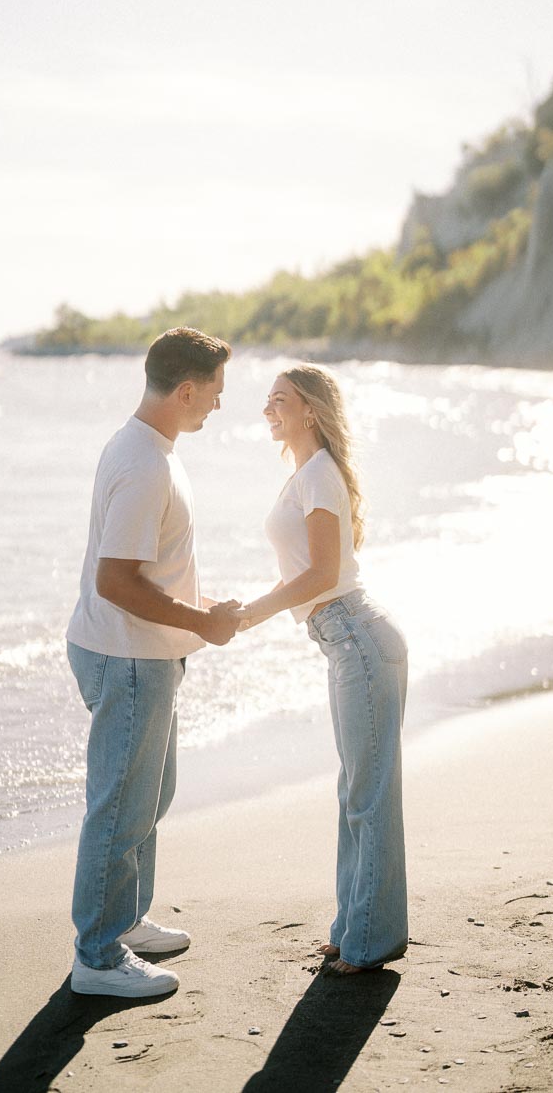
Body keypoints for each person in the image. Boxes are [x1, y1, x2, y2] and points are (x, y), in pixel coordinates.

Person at [66, 326, 240, 998]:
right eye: (215, 394)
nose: (218, 407)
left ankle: (126, 918)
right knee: (120, 806)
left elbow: (147, 564)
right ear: (187, 389)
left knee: (150, 794)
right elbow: (118, 581)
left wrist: (198, 613)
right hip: (128, 656)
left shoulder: (151, 449)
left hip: (140, 652)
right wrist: (203, 623)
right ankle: (98, 956)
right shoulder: (144, 463)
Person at [237, 363, 408, 975]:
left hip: (356, 636)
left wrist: (252, 613)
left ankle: (369, 941)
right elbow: (309, 575)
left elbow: (320, 574)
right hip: (345, 639)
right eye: (267, 400)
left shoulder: (318, 474)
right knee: (355, 791)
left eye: (279, 400)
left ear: (310, 409)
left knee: (367, 793)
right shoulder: (306, 474)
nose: (267, 410)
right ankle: (352, 927)